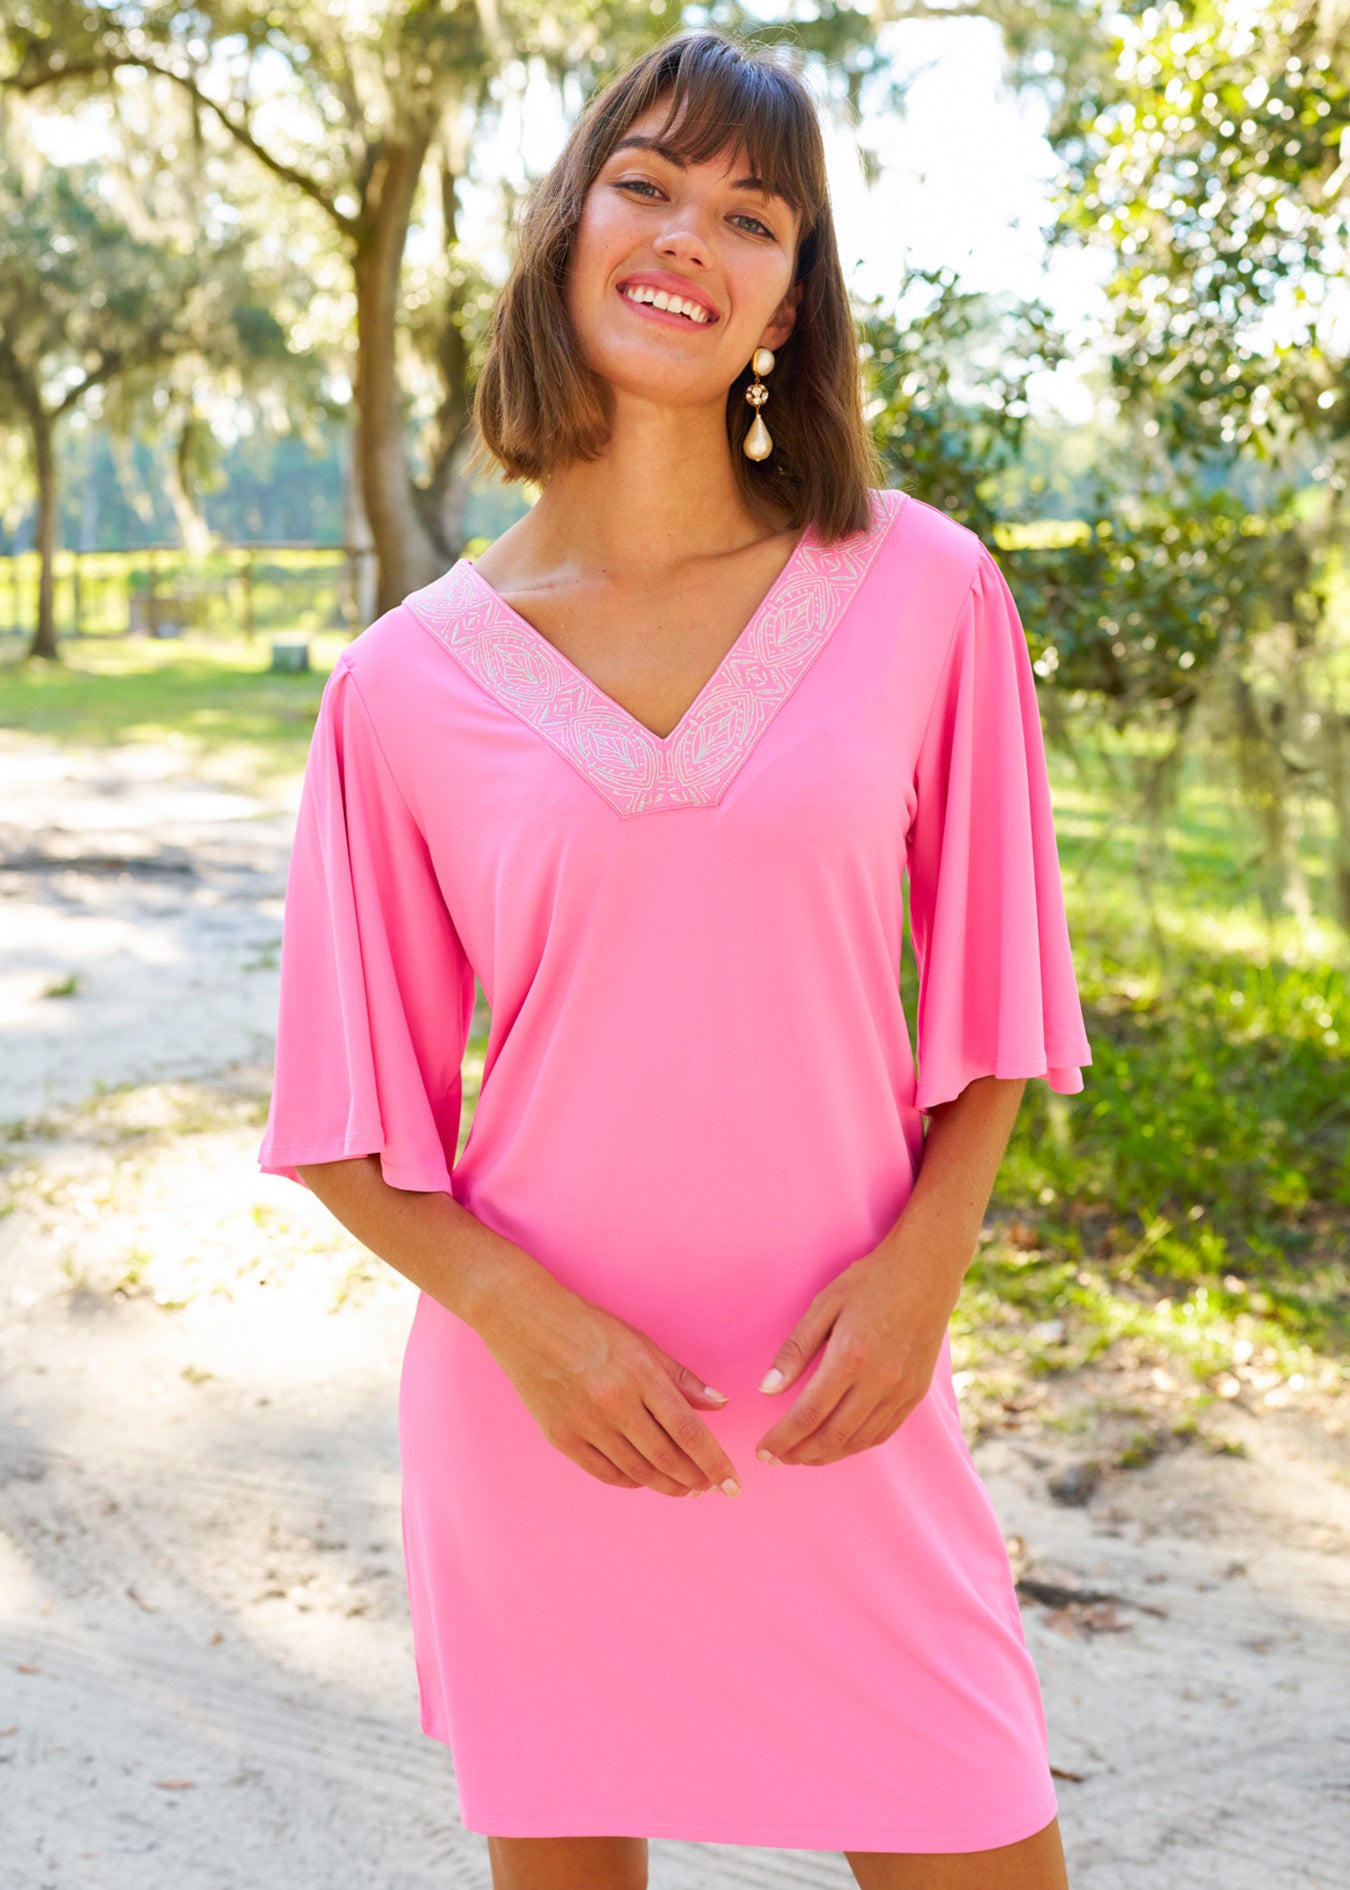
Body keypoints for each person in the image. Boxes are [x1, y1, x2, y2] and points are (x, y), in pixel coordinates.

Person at [257, 26, 1093, 1890]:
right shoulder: (403, 682)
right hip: (551, 1422)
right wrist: (526, 1328)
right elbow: (342, 1117)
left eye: (753, 215)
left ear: (791, 303)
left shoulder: (923, 592)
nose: (686, 237)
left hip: (840, 1404)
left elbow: (993, 1008)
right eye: (644, 183)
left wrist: (921, 1275)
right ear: (567, 236)